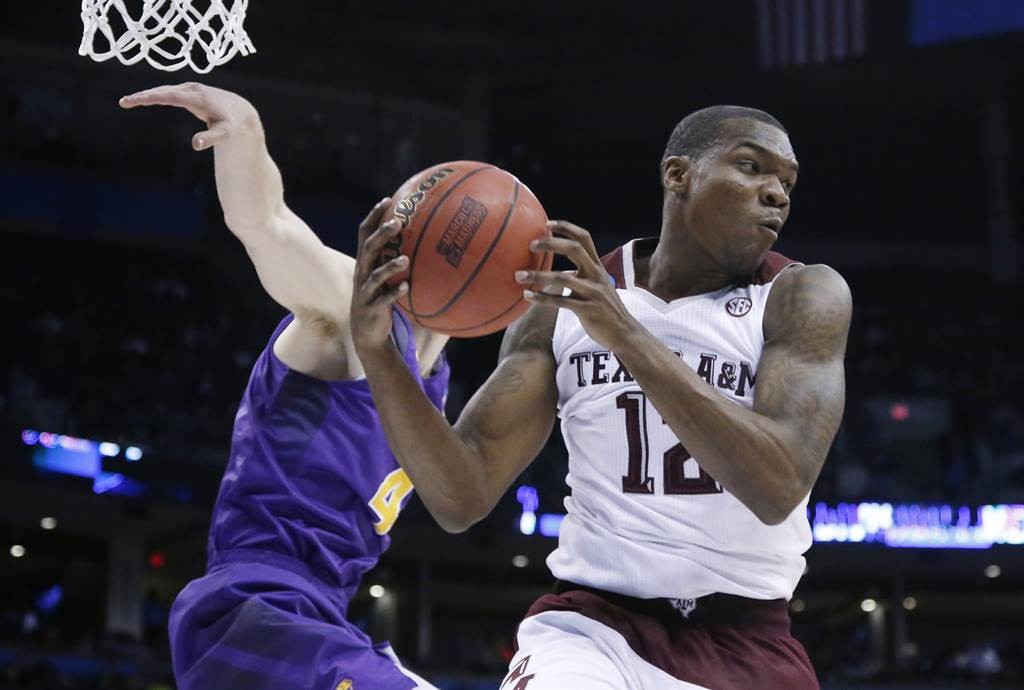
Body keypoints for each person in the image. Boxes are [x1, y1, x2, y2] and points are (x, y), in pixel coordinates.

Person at [351, 105, 852, 689]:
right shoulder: (559, 309)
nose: (776, 194)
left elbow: (778, 486)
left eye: (787, 182)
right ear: (677, 174)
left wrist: (627, 335)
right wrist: (379, 352)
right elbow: (459, 496)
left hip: (747, 638)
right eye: (751, 167)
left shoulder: (801, 296)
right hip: (593, 628)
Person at [120, 82, 449, 690]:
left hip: (322, 619)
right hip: (255, 603)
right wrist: (244, 133)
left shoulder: (434, 382)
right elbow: (266, 225)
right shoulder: (353, 308)